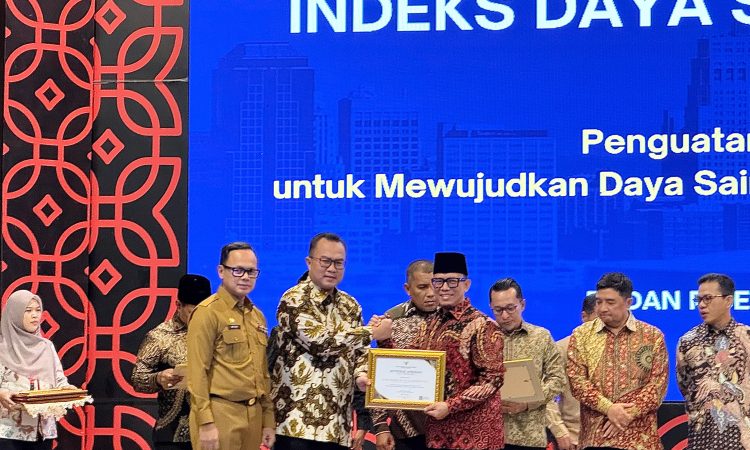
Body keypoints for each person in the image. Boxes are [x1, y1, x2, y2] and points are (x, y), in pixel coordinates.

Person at [270, 232, 392, 450]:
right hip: (295, 424)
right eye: (325, 261)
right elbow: (321, 343)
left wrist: (361, 375)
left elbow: (360, 353)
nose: (332, 268)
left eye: (338, 263)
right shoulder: (293, 299)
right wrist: (372, 332)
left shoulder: (350, 305)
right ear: (309, 262)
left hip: (337, 426)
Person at [186, 242, 275, 450]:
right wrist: (205, 422)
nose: (245, 277)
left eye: (251, 272)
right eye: (237, 270)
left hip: (254, 415)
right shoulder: (207, 312)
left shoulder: (257, 316)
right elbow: (197, 372)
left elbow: (263, 373)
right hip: (220, 413)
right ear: (221, 271)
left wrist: (268, 419)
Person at [413, 252, 505, 450]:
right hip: (438, 432)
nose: (445, 287)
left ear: (466, 284)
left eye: (452, 281)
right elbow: (412, 363)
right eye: (438, 281)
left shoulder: (482, 325)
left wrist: (450, 406)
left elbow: (493, 379)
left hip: (475, 436)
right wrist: (385, 339)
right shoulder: (428, 324)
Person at [567, 272, 668, 450]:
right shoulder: (581, 335)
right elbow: (577, 382)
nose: (603, 308)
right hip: (596, 439)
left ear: (628, 302)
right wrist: (609, 409)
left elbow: (657, 386)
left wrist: (625, 415)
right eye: (599, 302)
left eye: (610, 302)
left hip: (641, 441)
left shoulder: (652, 336)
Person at [131, 274, 212, 450]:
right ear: (178, 305)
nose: (199, 318)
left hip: (214, 430)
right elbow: (137, 378)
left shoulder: (216, 334)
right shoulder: (160, 337)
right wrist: (158, 378)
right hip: (173, 434)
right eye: (192, 313)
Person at [676, 273, 750, 450]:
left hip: (743, 439)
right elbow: (685, 385)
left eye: (708, 299)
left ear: (728, 300)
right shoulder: (687, 342)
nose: (702, 305)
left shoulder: (747, 338)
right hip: (702, 438)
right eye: (699, 299)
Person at [489, 278, 564, 450]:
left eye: (510, 308)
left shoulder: (541, 337)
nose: (505, 316)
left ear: (522, 304)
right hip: (490, 435)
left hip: (530, 436)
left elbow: (558, 379)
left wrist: (529, 402)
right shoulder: (483, 338)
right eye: (498, 310)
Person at [372, 259, 437, 450]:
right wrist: (380, 426)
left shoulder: (457, 319)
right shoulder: (391, 320)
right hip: (405, 428)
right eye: (422, 287)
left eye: (435, 285)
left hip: (451, 427)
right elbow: (379, 374)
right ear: (408, 289)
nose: (431, 293)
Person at [0, 290, 78, 449]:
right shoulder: (2, 348)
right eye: (28, 311)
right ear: (14, 314)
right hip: (8, 432)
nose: (35, 315)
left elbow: (59, 380)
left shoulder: (46, 347)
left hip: (42, 432)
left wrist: (68, 390)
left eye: (38, 310)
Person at [546, 294, 598, 450]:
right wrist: (559, 429)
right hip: (573, 439)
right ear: (584, 316)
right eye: (599, 319)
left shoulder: (619, 349)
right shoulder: (562, 349)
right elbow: (546, 395)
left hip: (612, 439)